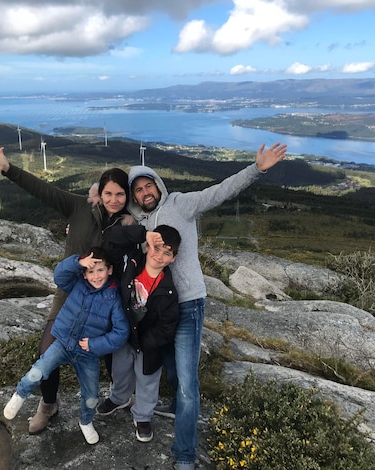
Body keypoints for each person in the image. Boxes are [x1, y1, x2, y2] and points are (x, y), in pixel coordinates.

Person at [126, 142, 287, 470]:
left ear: (158, 184)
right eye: (138, 189)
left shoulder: (180, 204)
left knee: (187, 382)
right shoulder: (139, 221)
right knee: (170, 366)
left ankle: (184, 455)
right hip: (158, 308)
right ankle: (175, 405)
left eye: (148, 185)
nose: (145, 192)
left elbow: (220, 191)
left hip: (187, 304)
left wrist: (257, 168)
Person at [0, 147, 134, 434]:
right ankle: (48, 404)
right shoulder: (78, 208)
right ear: (99, 194)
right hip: (69, 294)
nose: (114, 200)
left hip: (106, 300)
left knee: (109, 352)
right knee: (47, 351)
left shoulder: (130, 223)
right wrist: (8, 169)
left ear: (127, 196)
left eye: (120, 194)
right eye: (109, 194)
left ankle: (120, 396)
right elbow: (43, 190)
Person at [3, 247, 129, 445]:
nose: (96, 276)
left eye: (100, 270)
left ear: (110, 270)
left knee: (91, 398)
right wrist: (78, 262)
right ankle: (20, 395)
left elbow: (121, 333)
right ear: (84, 273)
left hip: (88, 353)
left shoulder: (114, 298)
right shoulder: (78, 283)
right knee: (38, 372)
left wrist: (95, 344)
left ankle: (85, 422)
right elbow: (59, 276)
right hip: (63, 342)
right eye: (91, 271)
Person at [96, 224, 181, 443]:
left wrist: (147, 342)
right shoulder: (130, 263)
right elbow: (111, 237)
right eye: (156, 247)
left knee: (147, 380)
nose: (159, 256)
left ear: (173, 258)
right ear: (147, 245)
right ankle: (119, 398)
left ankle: (143, 417)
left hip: (149, 345)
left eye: (167, 253)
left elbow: (167, 326)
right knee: (120, 371)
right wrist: (143, 234)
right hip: (124, 336)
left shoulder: (169, 290)